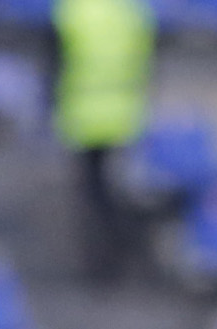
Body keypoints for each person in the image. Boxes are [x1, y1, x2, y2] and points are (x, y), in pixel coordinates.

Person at [54, 0, 155, 284]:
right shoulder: (132, 12)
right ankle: (126, 258)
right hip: (126, 115)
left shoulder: (73, 12)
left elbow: (56, 63)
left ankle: (100, 267)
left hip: (83, 115)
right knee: (115, 192)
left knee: (93, 196)